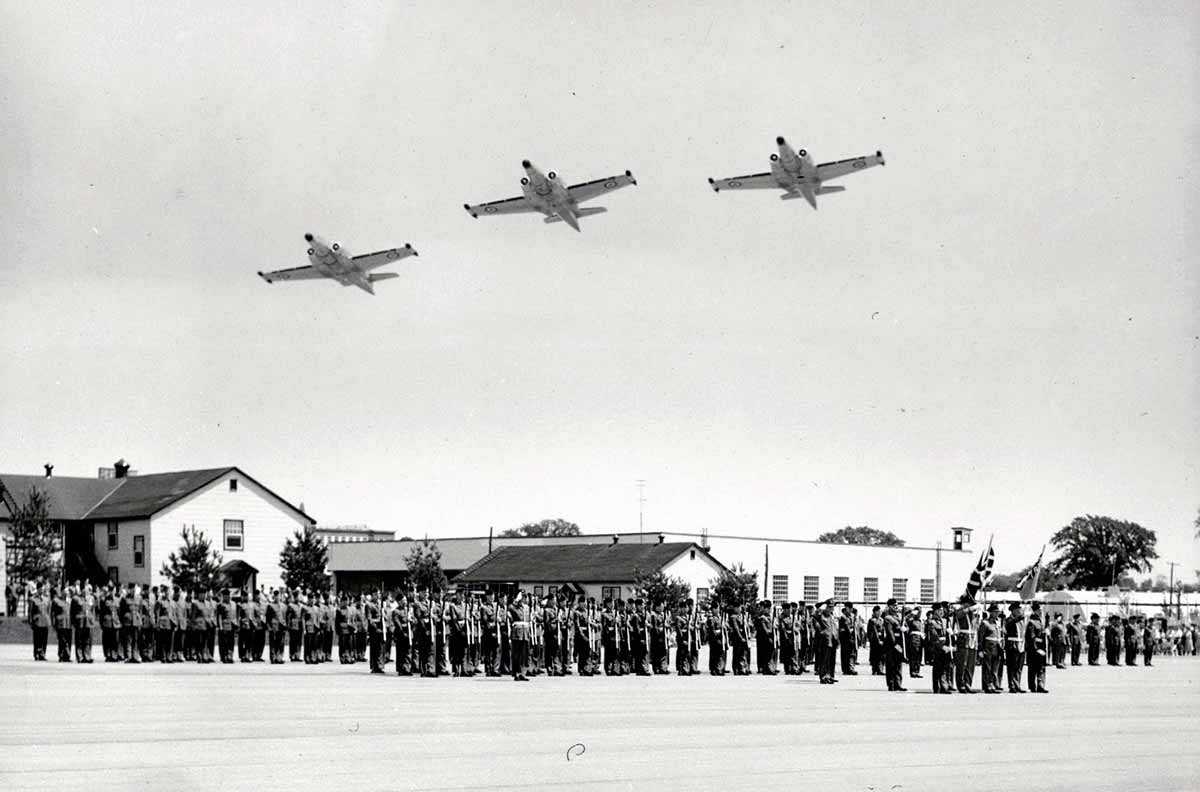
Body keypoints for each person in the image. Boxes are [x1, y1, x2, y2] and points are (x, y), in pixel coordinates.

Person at [952, 596, 978, 694]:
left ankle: (968, 684)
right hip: (963, 638)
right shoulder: (960, 611)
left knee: (970, 664)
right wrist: (969, 609)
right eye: (969, 603)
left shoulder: (973, 614)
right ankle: (961, 684)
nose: (971, 605)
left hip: (972, 639)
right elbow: (958, 615)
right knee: (962, 663)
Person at [977, 603, 1003, 693]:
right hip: (987, 648)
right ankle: (987, 686)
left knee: (994, 668)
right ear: (990, 613)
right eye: (995, 612)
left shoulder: (998, 623)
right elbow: (980, 637)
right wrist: (980, 649)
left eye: (997, 612)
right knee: (987, 668)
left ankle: (992, 685)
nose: (997, 614)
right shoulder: (985, 623)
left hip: (997, 648)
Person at [882, 598, 906, 691]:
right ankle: (891, 684)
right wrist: (895, 644)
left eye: (896, 605)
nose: (896, 607)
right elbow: (890, 632)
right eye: (894, 605)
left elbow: (904, 628)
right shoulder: (888, 618)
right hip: (891, 644)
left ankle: (898, 684)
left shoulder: (899, 617)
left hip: (899, 642)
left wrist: (905, 628)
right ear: (889, 607)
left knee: (898, 664)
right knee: (891, 664)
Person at [508, 590, 531, 681]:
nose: (524, 598)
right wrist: (516, 601)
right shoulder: (513, 607)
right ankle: (516, 673)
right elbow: (510, 608)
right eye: (522, 596)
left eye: (525, 597)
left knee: (524, 654)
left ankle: (523, 673)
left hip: (525, 633)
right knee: (516, 654)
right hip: (517, 633)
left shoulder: (526, 607)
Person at [1004, 602, 1026, 693]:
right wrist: (1019, 618)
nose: (1019, 611)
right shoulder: (1009, 619)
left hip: (1021, 645)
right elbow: (1009, 625)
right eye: (1017, 610)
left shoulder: (1021, 621)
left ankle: (1017, 684)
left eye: (1019, 610)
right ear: (1013, 611)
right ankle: (1012, 685)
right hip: (1012, 645)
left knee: (1019, 667)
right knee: (1012, 667)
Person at [28, 583, 50, 661]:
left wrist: (49, 621)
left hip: (45, 621)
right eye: (40, 589)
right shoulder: (33, 599)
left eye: (43, 589)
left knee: (44, 639)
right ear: (37, 589)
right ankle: (36, 653)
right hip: (37, 621)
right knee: (37, 639)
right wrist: (30, 622)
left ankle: (42, 654)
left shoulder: (47, 599)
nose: (42, 590)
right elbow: (30, 612)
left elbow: (48, 611)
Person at [838, 603, 857, 676]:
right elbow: (844, 628)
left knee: (851, 654)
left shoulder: (852, 616)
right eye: (849, 608)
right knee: (845, 654)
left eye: (851, 609)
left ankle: (850, 668)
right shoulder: (843, 617)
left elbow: (853, 627)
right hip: (845, 638)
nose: (850, 610)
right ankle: (845, 669)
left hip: (851, 637)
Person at [905, 607, 924, 678]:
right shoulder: (911, 620)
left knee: (919, 656)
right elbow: (905, 620)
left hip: (921, 639)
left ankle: (917, 671)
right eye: (918, 612)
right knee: (913, 656)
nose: (919, 614)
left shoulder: (921, 621)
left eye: (920, 612)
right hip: (913, 639)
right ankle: (912, 671)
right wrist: (912, 613)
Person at [866, 606, 884, 675]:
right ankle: (874, 669)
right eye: (878, 611)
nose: (879, 613)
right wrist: (876, 640)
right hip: (874, 640)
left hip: (881, 639)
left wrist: (883, 639)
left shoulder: (881, 620)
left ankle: (880, 669)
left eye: (880, 611)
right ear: (874, 612)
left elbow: (883, 630)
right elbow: (873, 631)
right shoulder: (872, 620)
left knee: (881, 655)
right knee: (874, 655)